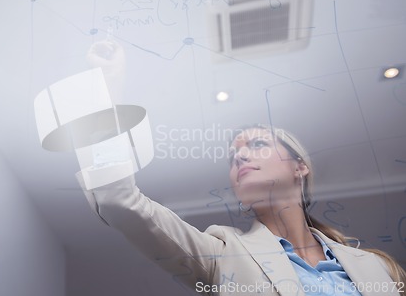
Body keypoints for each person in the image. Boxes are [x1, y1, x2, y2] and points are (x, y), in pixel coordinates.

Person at [76, 124, 405, 296]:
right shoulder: (223, 255)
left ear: (300, 167)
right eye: (233, 156)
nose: (240, 157)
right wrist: (106, 99)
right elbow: (122, 201)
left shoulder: (379, 268)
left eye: (258, 144)